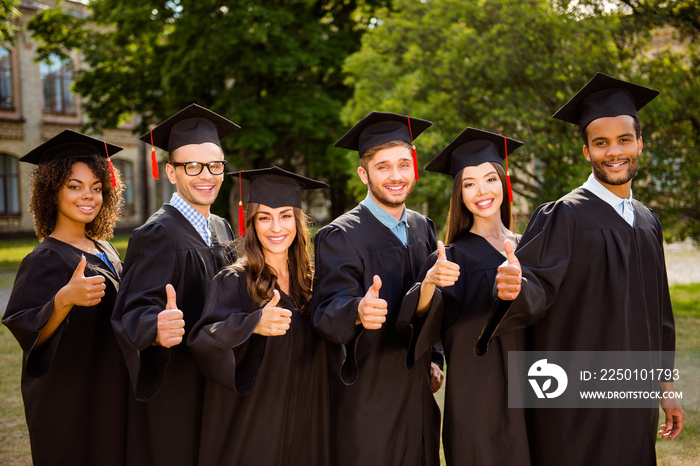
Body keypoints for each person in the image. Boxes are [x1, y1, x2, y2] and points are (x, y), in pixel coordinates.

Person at [477, 72, 684, 465]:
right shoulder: (564, 215)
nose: (614, 151)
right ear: (587, 152)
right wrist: (513, 287)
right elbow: (535, 286)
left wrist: (665, 385)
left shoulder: (646, 220)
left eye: (624, 140)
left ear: (639, 143)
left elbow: (659, 311)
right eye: (601, 143)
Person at [311, 111, 443, 466]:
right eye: (383, 166)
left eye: (404, 163)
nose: (396, 175)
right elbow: (323, 313)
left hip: (416, 391)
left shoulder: (423, 228)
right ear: (363, 174)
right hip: (369, 395)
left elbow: (433, 304)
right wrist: (356, 310)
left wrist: (434, 358)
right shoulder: (340, 235)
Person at [111, 104, 238, 466]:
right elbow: (131, 311)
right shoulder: (156, 234)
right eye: (192, 166)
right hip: (178, 385)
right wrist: (154, 326)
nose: (206, 175)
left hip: (215, 380)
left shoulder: (221, 228)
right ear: (170, 171)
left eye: (215, 165)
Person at [400, 127, 530, 465]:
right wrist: (429, 284)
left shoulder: (531, 248)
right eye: (469, 184)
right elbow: (421, 327)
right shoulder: (448, 258)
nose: (481, 191)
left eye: (490, 179)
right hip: (477, 401)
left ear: (505, 183)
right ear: (460, 194)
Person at [189, 166, 330, 465]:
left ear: (298, 222)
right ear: (251, 223)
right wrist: (251, 324)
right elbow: (203, 341)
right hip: (253, 431)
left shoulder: (313, 283)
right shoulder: (234, 280)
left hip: (307, 429)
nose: (276, 228)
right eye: (264, 217)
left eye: (285, 216)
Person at [3, 130, 127, 465]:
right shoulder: (44, 259)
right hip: (73, 403)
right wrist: (63, 301)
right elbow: (29, 334)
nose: (89, 196)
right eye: (74, 186)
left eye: (97, 187)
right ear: (51, 191)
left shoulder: (106, 249)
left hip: (112, 392)